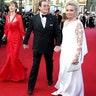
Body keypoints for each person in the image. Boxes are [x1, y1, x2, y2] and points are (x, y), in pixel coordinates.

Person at [23, 0, 62, 94]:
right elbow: (28, 31)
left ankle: (49, 78)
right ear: (39, 7)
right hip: (37, 46)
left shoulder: (53, 18)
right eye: (44, 6)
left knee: (49, 63)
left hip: (49, 46)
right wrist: (25, 42)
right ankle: (30, 87)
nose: (46, 7)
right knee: (35, 66)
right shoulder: (34, 18)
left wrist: (58, 44)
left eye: (47, 6)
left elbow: (58, 33)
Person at [51, 0, 88, 96]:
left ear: (76, 11)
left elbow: (80, 42)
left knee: (72, 72)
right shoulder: (66, 22)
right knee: (63, 70)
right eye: (67, 10)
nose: (68, 12)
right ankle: (63, 89)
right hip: (65, 51)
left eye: (71, 10)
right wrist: (60, 47)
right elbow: (65, 39)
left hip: (73, 51)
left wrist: (76, 56)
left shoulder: (78, 24)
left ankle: (72, 92)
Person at [0, 1, 27, 81]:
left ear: (16, 8)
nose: (11, 7)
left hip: (17, 39)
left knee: (14, 57)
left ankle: (20, 73)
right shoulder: (7, 17)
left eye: (13, 6)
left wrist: (24, 41)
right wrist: (4, 36)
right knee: (9, 57)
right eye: (10, 6)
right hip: (9, 38)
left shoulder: (18, 17)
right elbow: (6, 28)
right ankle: (13, 74)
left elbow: (21, 29)